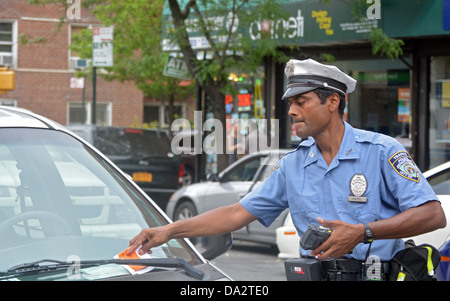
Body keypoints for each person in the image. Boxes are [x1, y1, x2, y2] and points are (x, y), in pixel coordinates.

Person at [128, 58, 446, 279]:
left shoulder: (381, 151)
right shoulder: (293, 165)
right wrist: (169, 230)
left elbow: (433, 214)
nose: (291, 111)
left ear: (333, 102)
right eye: (290, 103)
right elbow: (237, 214)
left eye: (302, 101)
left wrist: (364, 232)